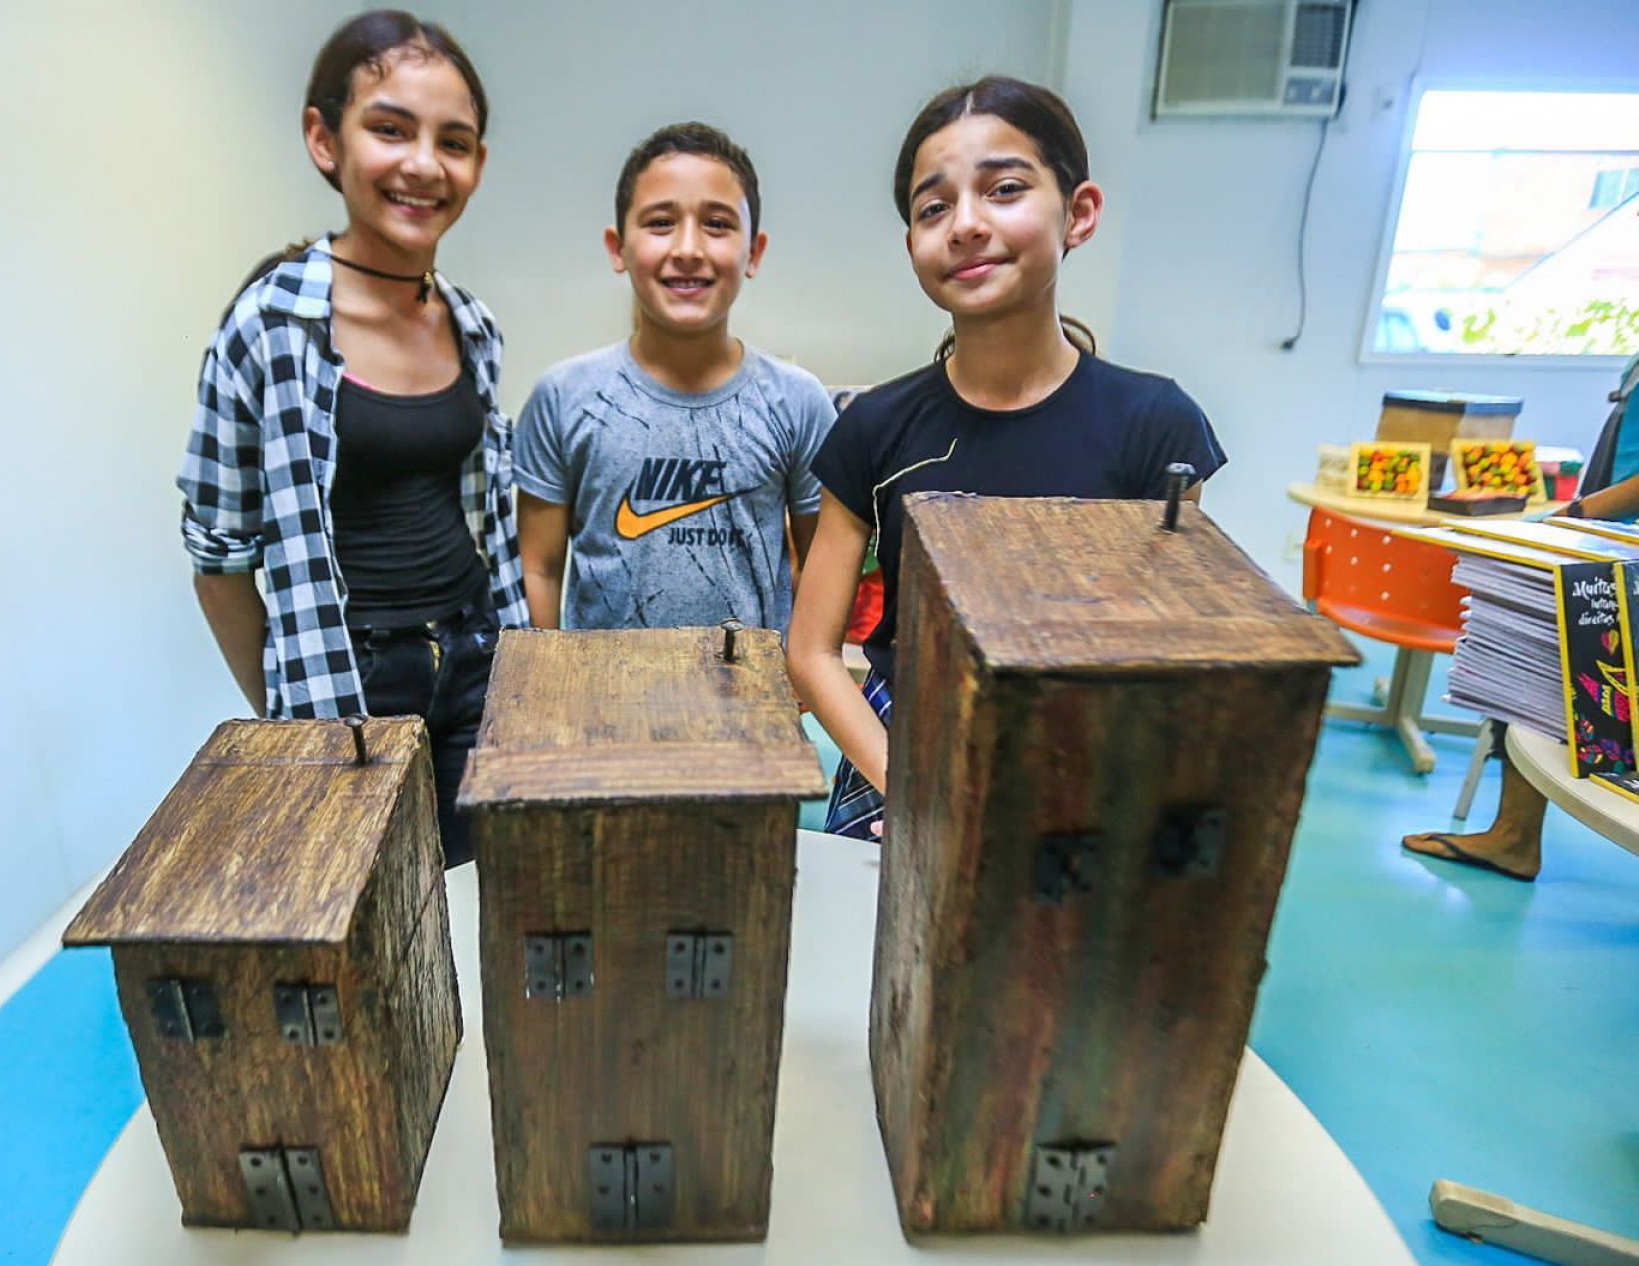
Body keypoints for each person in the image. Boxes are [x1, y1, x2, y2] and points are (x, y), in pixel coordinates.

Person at [786, 76, 1227, 842]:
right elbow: (813, 649)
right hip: (900, 759)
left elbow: (1173, 658)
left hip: (1086, 771)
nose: (965, 225)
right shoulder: (873, 428)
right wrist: (913, 786)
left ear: (1079, 213)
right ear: (912, 245)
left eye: (1005, 189)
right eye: (934, 208)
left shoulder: (1154, 425)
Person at [177, 11, 527, 868]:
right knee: (377, 910)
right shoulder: (268, 327)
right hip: (352, 679)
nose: (422, 164)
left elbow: (487, 519)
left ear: (477, 165)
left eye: (454, 141)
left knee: (486, 889)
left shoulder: (472, 323)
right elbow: (217, 560)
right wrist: (293, 709)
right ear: (324, 139)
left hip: (477, 655)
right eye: (390, 129)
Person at [513, 122, 834, 631]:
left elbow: (824, 575)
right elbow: (539, 569)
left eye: (718, 224)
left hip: (752, 702)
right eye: (661, 222)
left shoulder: (799, 403)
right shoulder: (563, 398)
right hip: (597, 703)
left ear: (754, 252)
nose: (688, 248)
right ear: (617, 248)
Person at [1402, 352, 1639, 880]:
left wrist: (1578, 513)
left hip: (1616, 533)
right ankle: (1513, 834)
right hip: (1608, 527)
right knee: (1533, 663)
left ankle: (1513, 836)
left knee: (1547, 661)